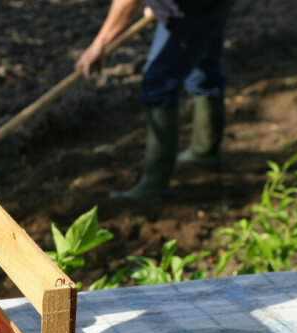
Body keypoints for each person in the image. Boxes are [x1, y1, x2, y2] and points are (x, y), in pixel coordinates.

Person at [76, 0, 233, 198]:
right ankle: (205, 152)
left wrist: (99, 43)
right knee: (204, 67)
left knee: (159, 84)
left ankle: (155, 184)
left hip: (193, 9)